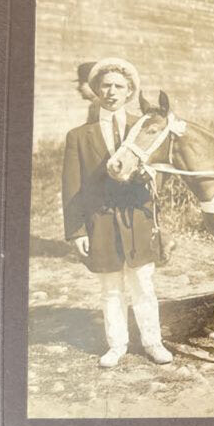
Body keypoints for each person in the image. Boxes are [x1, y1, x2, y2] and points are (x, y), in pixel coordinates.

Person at [61, 57, 173, 368]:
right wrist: (77, 231)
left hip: (137, 218)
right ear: (96, 90)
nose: (111, 91)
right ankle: (117, 345)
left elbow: (162, 168)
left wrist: (151, 177)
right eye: (106, 85)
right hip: (101, 221)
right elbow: (71, 187)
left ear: (129, 91)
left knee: (143, 284)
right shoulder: (78, 136)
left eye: (119, 86)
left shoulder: (144, 126)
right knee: (110, 287)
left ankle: (153, 342)